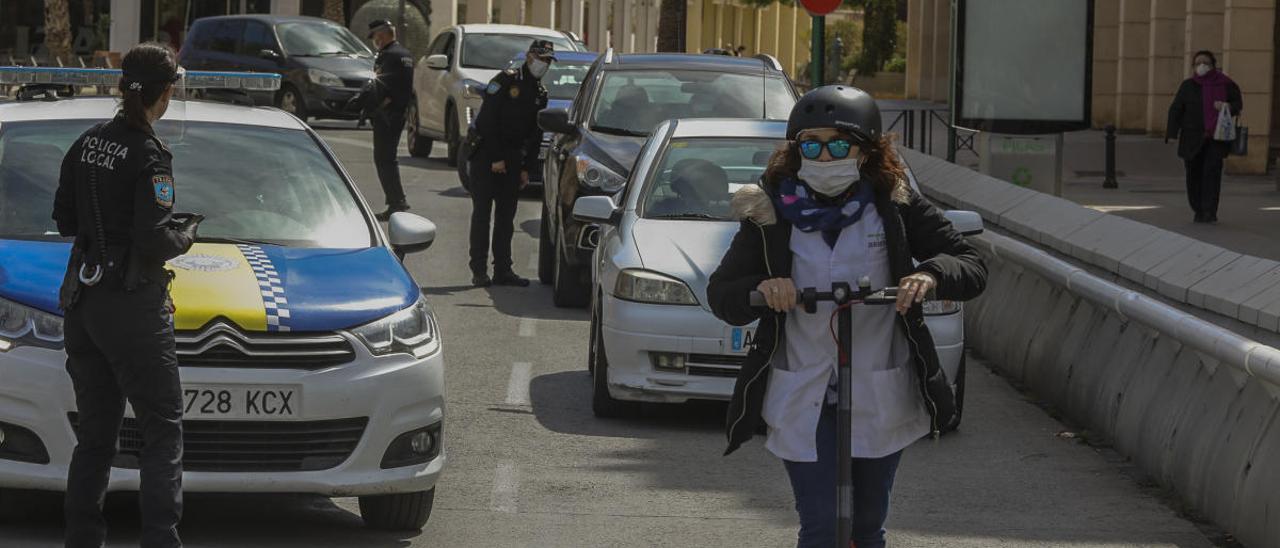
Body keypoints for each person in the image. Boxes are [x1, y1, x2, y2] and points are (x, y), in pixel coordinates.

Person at [707, 85, 986, 548]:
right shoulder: (770, 211)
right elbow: (722, 294)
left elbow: (971, 265)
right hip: (805, 387)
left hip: (878, 386)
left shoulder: (892, 205)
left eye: (838, 144)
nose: (823, 155)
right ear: (794, 150)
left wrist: (931, 275)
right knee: (819, 526)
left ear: (866, 150)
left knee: (866, 527)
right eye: (810, 144)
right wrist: (763, 288)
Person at [52, 42, 201, 548]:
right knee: (162, 426)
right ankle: (161, 538)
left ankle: (82, 536)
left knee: (96, 435)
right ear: (165, 93)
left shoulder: (88, 141)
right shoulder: (150, 154)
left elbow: (64, 218)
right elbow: (153, 239)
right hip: (133, 302)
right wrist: (188, 235)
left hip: (82, 301)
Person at [466, 40, 553, 287]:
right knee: (482, 214)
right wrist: (495, 158)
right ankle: (479, 270)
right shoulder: (506, 80)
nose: (543, 64)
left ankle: (503, 270)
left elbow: (536, 133)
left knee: (506, 217)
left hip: (514, 158)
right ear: (529, 56)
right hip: (487, 154)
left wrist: (527, 168)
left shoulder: (539, 92)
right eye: (541, 58)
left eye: (547, 61)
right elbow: (487, 120)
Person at [1166, 50, 1242, 224]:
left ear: (1213, 65)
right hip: (1192, 137)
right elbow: (1176, 109)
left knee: (1211, 172)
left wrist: (1226, 106)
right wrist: (1171, 133)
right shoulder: (1188, 86)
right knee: (1193, 173)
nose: (1201, 66)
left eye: (1205, 63)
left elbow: (1238, 104)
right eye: (1198, 63)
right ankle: (1198, 208)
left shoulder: (1226, 84)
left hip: (1216, 137)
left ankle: (1209, 210)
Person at [367, 19, 415, 221]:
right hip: (397, 114)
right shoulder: (404, 54)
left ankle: (396, 202)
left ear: (382, 34)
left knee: (384, 159)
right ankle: (396, 201)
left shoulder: (390, 56)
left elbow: (384, 86)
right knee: (388, 159)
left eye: (375, 36)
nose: (374, 41)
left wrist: (371, 106)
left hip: (387, 115)